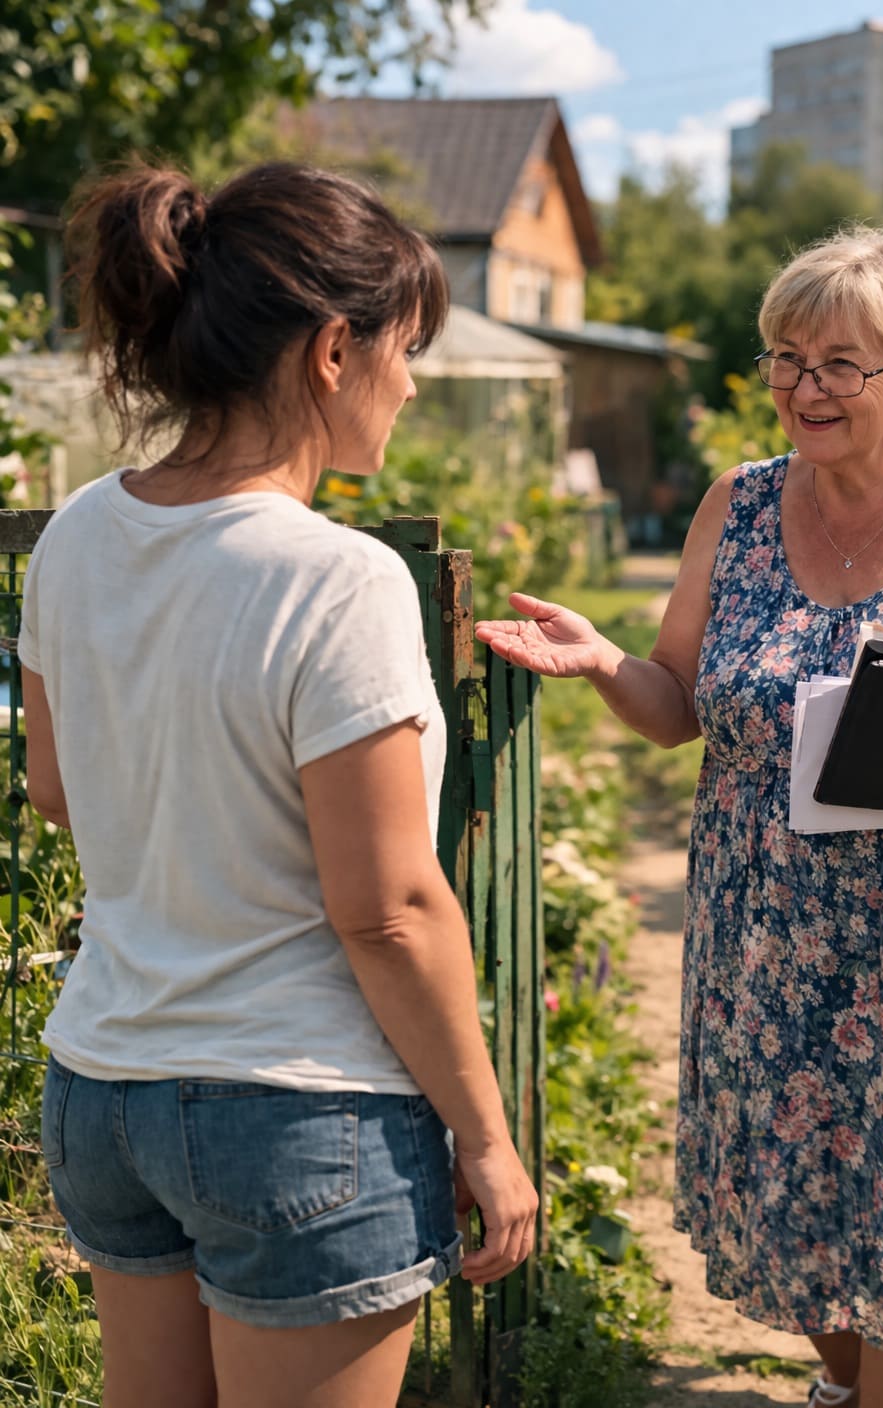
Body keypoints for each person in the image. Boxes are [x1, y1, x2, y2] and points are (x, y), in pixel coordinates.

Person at [476, 226, 883, 1408]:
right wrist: (602, 662)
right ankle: (846, 1387)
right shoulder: (735, 506)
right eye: (786, 357)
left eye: (841, 363)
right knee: (803, 1234)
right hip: (766, 949)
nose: (803, 387)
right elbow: (677, 705)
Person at [19, 161, 537, 1408]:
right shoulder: (337, 577)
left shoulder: (79, 530)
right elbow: (389, 908)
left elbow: (55, 787)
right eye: (406, 351)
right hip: (300, 1112)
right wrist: (487, 1136)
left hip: (107, 1088)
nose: (411, 386)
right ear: (333, 350)